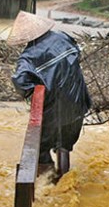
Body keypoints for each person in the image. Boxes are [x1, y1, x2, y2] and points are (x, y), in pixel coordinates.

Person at [7, 11, 91, 176]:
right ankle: (64, 181)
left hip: (54, 111)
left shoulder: (28, 57)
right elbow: (77, 55)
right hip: (78, 104)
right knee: (64, 146)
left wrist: (33, 88)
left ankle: (51, 184)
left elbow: (21, 83)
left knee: (40, 148)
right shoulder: (63, 37)